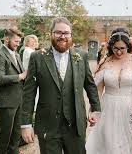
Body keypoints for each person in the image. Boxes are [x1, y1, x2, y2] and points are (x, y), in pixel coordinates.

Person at [20, 17, 101, 154]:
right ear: (51, 34)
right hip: (48, 125)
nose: (62, 36)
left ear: (70, 35)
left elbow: (90, 85)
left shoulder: (82, 56)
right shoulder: (37, 57)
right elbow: (29, 93)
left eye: (66, 33)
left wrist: (96, 109)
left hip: (75, 125)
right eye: (58, 32)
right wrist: (26, 124)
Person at [85, 27, 132, 154]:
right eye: (115, 48)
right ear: (110, 47)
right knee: (108, 142)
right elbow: (98, 92)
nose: (118, 52)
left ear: (128, 46)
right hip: (108, 108)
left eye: (122, 48)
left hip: (131, 108)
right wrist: (93, 111)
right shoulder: (104, 62)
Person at [0, 27, 27, 154]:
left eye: (19, 42)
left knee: (16, 133)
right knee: (6, 134)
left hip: (18, 99)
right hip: (5, 101)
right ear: (6, 40)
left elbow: (22, 74)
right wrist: (20, 76)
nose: (18, 44)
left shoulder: (16, 54)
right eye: (16, 41)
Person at [22, 34, 39, 112]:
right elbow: (35, 57)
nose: (34, 43)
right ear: (27, 43)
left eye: (35, 41)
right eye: (32, 42)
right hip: (30, 77)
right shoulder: (28, 51)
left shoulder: (33, 51)